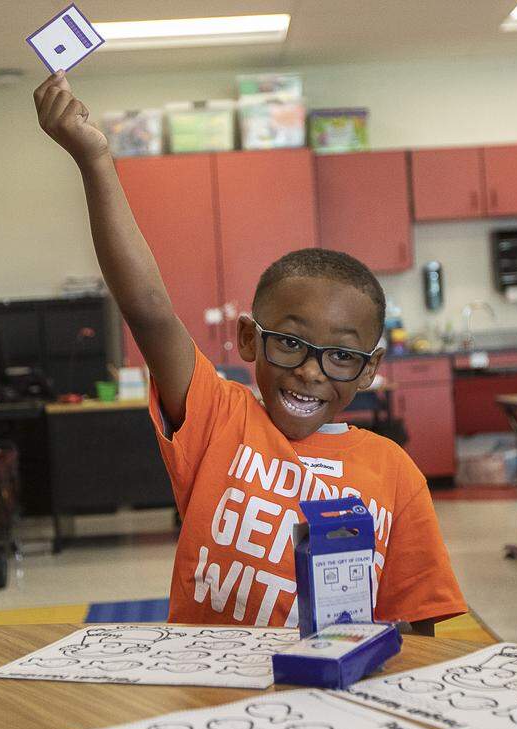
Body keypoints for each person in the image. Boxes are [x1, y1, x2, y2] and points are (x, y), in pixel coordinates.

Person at [34, 71, 466, 632]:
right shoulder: (219, 421)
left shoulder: (395, 474)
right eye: (290, 343)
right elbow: (147, 307)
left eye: (340, 356)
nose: (311, 372)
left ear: (369, 370)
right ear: (247, 339)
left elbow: (415, 627)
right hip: (208, 696)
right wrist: (95, 161)